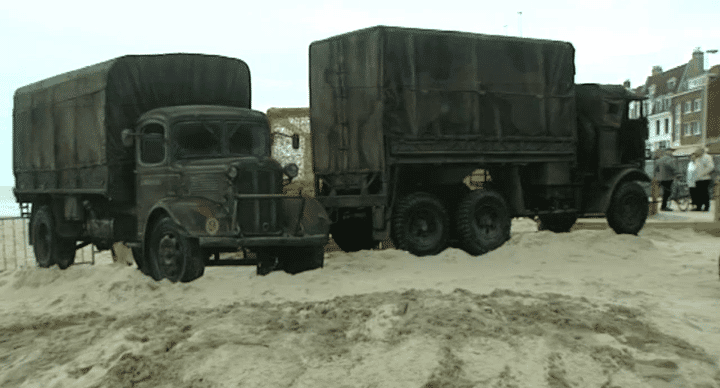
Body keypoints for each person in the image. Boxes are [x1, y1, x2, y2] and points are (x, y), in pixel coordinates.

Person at [693, 147, 715, 212]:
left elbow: (711, 167)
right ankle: (698, 207)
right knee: (698, 194)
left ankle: (706, 207)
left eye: (697, 152)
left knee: (704, 193)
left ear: (701, 151)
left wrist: (703, 173)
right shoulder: (698, 158)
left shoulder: (707, 157)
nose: (696, 153)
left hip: (705, 179)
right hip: (698, 179)